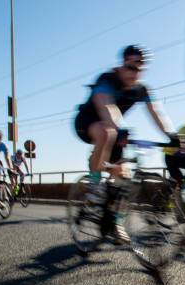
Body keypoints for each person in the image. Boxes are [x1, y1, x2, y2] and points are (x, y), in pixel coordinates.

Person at [74, 44, 174, 243]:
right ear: (122, 65)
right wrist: (119, 127)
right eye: (131, 67)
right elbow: (106, 107)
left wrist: (172, 135)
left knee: (124, 177)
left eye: (140, 68)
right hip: (88, 123)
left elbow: (156, 113)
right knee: (107, 131)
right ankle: (94, 187)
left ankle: (116, 222)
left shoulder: (141, 89)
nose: (135, 72)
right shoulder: (107, 79)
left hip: (116, 131)